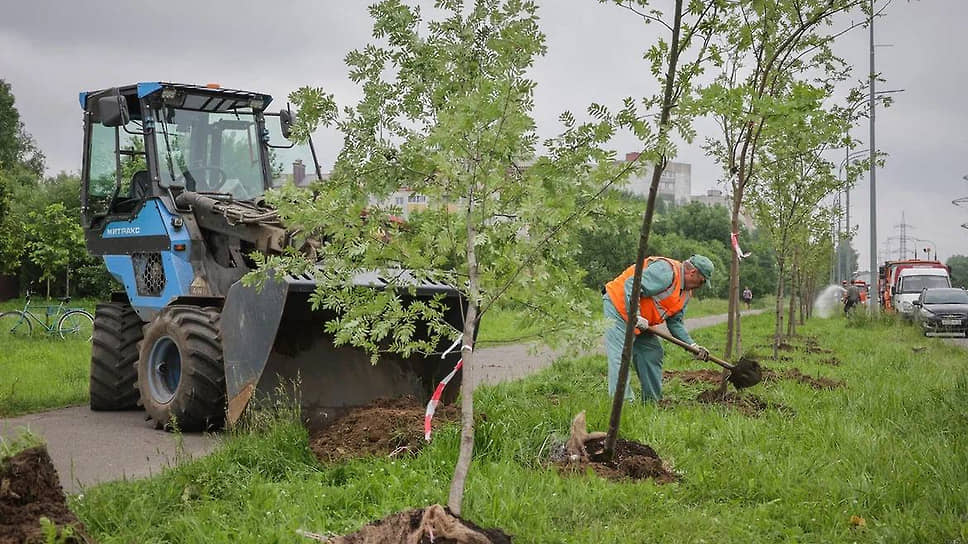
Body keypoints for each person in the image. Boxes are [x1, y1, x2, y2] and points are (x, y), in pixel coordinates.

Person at [603, 254, 713, 403]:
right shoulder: (667, 272)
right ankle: (622, 405)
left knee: (652, 351)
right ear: (692, 272)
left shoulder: (685, 293)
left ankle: (651, 402)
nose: (701, 286)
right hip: (619, 307)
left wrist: (692, 345)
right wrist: (635, 315)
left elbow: (675, 322)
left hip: (641, 321)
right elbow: (632, 285)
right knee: (621, 356)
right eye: (702, 281)